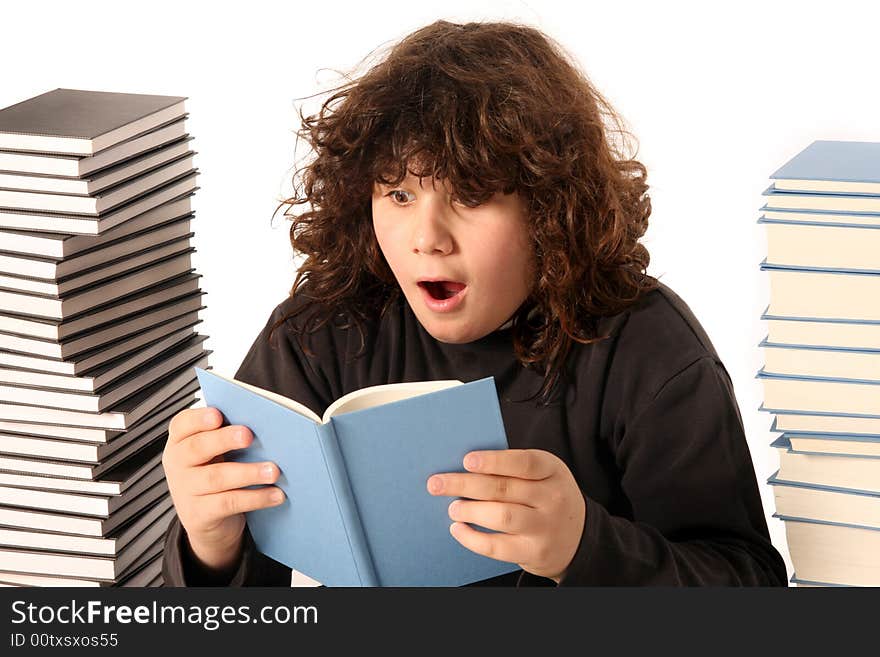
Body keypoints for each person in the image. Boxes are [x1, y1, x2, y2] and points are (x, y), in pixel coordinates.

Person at [161, 19, 788, 587]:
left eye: (472, 194)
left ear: (550, 210)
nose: (427, 239)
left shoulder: (648, 347)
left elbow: (749, 581)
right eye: (400, 196)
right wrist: (209, 547)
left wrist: (585, 548)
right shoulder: (321, 332)